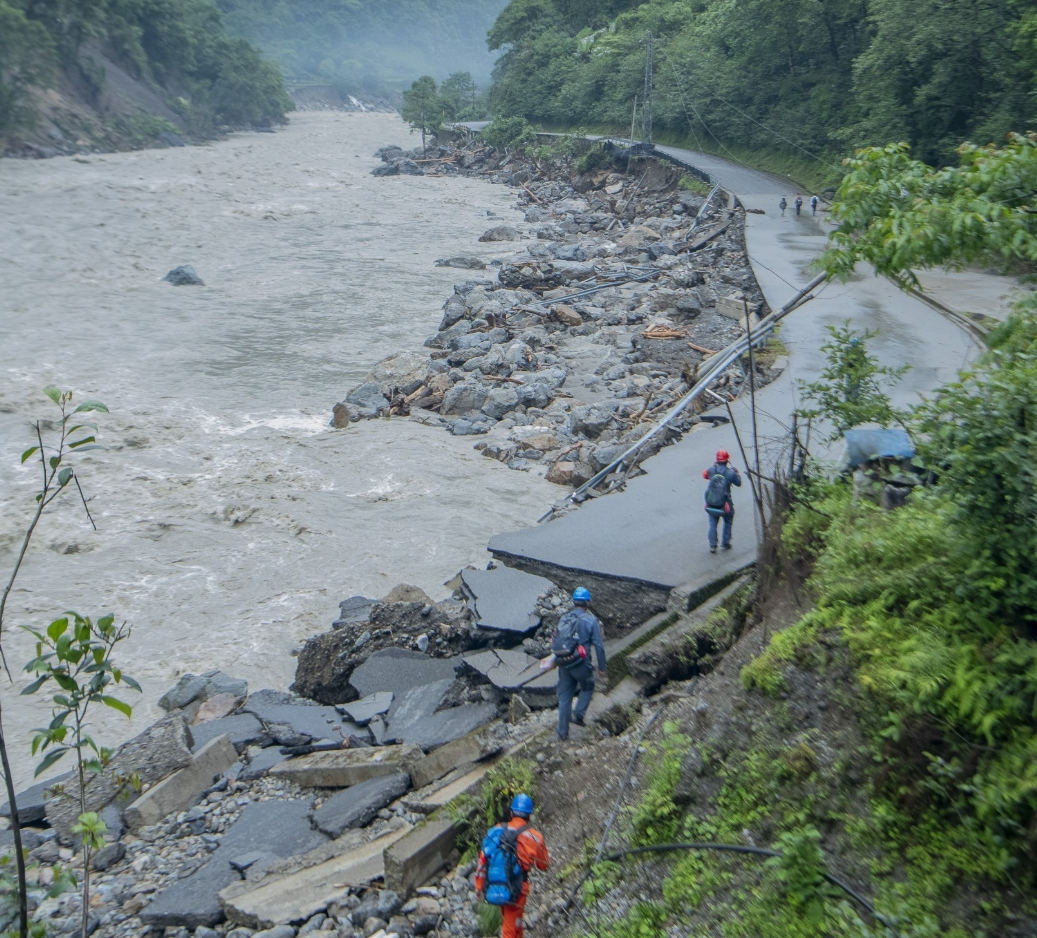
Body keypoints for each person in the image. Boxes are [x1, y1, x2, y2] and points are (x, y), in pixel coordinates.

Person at [475, 793, 551, 938]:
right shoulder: (534, 837)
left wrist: (479, 887)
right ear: (529, 816)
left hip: (496, 885)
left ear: (511, 812)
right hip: (517, 888)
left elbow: (482, 859)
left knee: (514, 922)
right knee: (510, 927)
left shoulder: (495, 831)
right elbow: (544, 865)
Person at [554, 587, 607, 741]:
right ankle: (578, 715)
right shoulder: (590, 621)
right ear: (587, 603)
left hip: (563, 662)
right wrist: (602, 668)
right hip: (581, 663)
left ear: (574, 602)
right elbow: (599, 646)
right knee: (588, 686)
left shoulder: (564, 618)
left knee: (564, 698)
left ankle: (562, 734)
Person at [703, 449, 742, 553]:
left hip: (711, 503)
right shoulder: (731, 473)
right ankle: (725, 543)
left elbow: (705, 475)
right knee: (728, 521)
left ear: (717, 459)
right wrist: (737, 473)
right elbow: (738, 483)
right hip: (725, 504)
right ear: (727, 460)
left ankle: (712, 545)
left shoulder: (711, 469)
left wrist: (713, 467)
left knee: (712, 524)